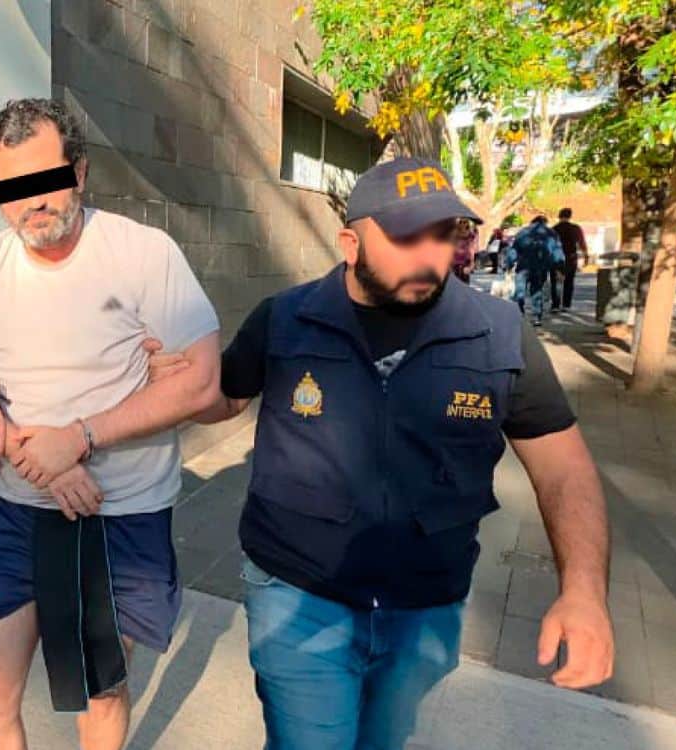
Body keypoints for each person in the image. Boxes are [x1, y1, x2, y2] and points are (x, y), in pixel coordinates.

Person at [181, 159, 613, 750]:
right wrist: (182, 385)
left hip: (426, 608)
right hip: (299, 595)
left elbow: (564, 468)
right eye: (407, 236)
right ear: (350, 244)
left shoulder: (499, 334)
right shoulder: (285, 319)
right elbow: (226, 398)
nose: (430, 256)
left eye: (445, 234)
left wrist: (584, 591)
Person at [0, 98, 220, 750]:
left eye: (47, 180)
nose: (33, 202)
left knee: (100, 692)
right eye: (13, 187)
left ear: (80, 172)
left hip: (122, 515)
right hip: (16, 515)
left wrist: (79, 438)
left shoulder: (143, 255)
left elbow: (201, 380)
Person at [505, 215, 564, 326]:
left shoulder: (523, 232)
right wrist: (559, 267)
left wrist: (509, 264)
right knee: (537, 290)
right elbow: (557, 252)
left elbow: (514, 249)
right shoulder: (551, 233)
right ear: (545, 222)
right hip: (541, 266)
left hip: (523, 265)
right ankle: (537, 316)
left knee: (520, 289)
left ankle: (519, 312)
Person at [552, 207, 588, 310]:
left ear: (559, 216)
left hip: (556, 258)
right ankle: (566, 305)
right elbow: (582, 243)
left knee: (556, 281)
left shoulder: (554, 229)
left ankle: (555, 305)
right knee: (569, 281)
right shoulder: (575, 228)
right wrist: (586, 256)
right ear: (570, 216)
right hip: (570, 258)